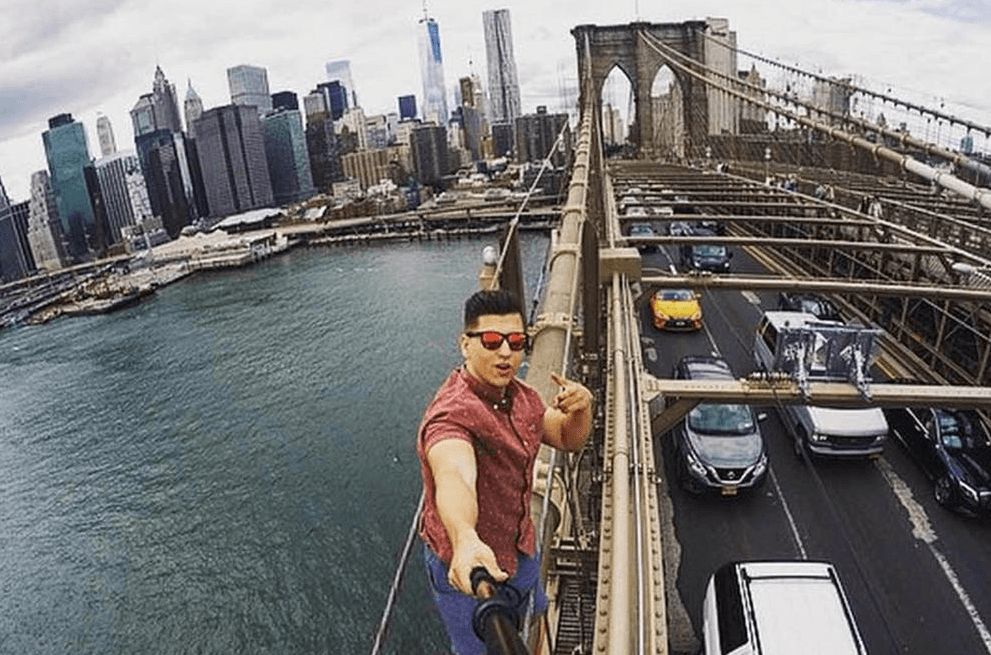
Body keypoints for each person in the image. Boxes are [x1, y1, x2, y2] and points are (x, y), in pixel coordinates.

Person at [417, 289, 593, 655]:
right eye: (492, 340)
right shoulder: (451, 414)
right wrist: (464, 538)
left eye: (516, 342)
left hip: (520, 547)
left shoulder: (522, 397)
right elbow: (454, 474)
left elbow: (565, 437)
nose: (505, 352)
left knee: (534, 613)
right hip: (471, 570)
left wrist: (581, 409)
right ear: (465, 344)